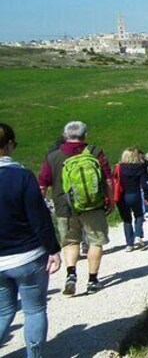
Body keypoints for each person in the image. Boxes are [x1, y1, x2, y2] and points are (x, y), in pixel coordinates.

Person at [0, 123, 62, 358]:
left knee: (3, 313)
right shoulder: (22, 176)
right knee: (34, 310)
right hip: (28, 255)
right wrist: (53, 249)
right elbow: (39, 218)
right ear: (9, 145)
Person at [39, 121, 113, 296]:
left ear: (65, 136)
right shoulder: (95, 153)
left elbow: (43, 184)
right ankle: (93, 280)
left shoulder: (53, 156)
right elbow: (108, 180)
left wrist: (40, 206)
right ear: (85, 135)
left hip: (64, 207)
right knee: (95, 242)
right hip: (93, 205)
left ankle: (71, 274)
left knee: (70, 242)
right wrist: (111, 200)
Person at [114, 149, 148, 252]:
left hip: (122, 196)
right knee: (139, 215)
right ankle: (138, 235)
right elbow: (144, 184)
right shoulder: (139, 167)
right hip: (135, 194)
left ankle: (129, 244)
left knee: (126, 219)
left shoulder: (118, 167)